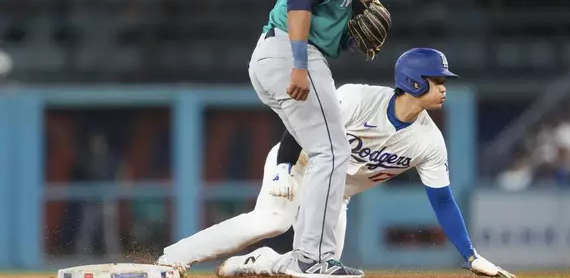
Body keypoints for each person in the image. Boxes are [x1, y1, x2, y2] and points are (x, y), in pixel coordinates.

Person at [157, 48, 515, 278]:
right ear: (414, 82)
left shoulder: (429, 142)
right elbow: (301, 124)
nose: (444, 87)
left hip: (335, 196)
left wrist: (470, 256)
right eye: (437, 80)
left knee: (319, 271)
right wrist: (283, 165)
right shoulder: (356, 99)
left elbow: (442, 201)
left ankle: (260, 263)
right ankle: (175, 258)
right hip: (298, 166)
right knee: (273, 218)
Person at [245, 0, 401, 277]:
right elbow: (299, 1)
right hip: (290, 53)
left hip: (284, 54)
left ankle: (311, 258)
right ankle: (311, 260)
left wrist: (348, 37)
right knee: (332, 153)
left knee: (327, 152)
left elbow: (325, 25)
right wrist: (298, 65)